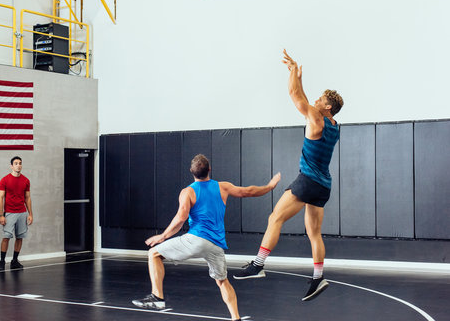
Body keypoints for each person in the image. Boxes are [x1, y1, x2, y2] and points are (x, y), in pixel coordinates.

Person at [234, 50, 344, 302]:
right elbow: (304, 96)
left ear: (327, 107)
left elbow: (295, 96)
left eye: (321, 99)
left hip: (307, 181)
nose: (316, 100)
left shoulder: (316, 118)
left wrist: (293, 71)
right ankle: (318, 278)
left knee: (275, 217)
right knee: (314, 233)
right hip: (323, 186)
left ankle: (258, 266)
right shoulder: (335, 126)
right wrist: (299, 77)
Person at [132, 154, 281, 321]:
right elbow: (249, 192)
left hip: (196, 239)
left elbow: (181, 218)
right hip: (216, 245)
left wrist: (163, 236)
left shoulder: (187, 191)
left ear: (192, 172)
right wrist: (270, 186)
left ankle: (158, 297)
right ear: (209, 169)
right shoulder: (223, 187)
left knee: (153, 254)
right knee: (222, 282)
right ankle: (235, 318)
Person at [0, 156, 33, 271]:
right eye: (16, 163)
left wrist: (30, 214)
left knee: (20, 237)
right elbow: (0, 198)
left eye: (20, 163)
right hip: (9, 213)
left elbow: (27, 198)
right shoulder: (5, 180)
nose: (18, 165)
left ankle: (14, 261)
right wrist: (1, 215)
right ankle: (2, 262)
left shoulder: (26, 180)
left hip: (22, 213)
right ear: (11, 166)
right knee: (6, 237)